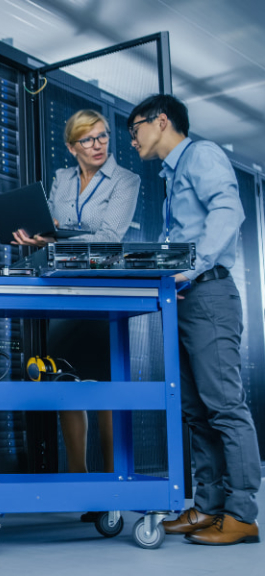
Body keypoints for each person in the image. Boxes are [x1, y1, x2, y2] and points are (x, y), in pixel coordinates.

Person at [127, 94, 260, 545]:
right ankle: (208, 506)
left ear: (161, 121)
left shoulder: (202, 155)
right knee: (196, 411)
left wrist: (193, 265)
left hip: (209, 295)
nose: (132, 140)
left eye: (135, 130)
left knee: (224, 406)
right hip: (185, 298)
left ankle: (242, 515)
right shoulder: (172, 175)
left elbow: (228, 210)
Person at [13, 110, 140, 492]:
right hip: (64, 289)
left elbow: (110, 237)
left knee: (105, 385)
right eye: (88, 139)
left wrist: (56, 241)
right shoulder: (62, 179)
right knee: (68, 380)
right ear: (72, 147)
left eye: (102, 136)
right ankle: (78, 477)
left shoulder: (125, 180)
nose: (98, 145)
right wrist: (36, 238)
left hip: (104, 292)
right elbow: (51, 226)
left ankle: (113, 482)